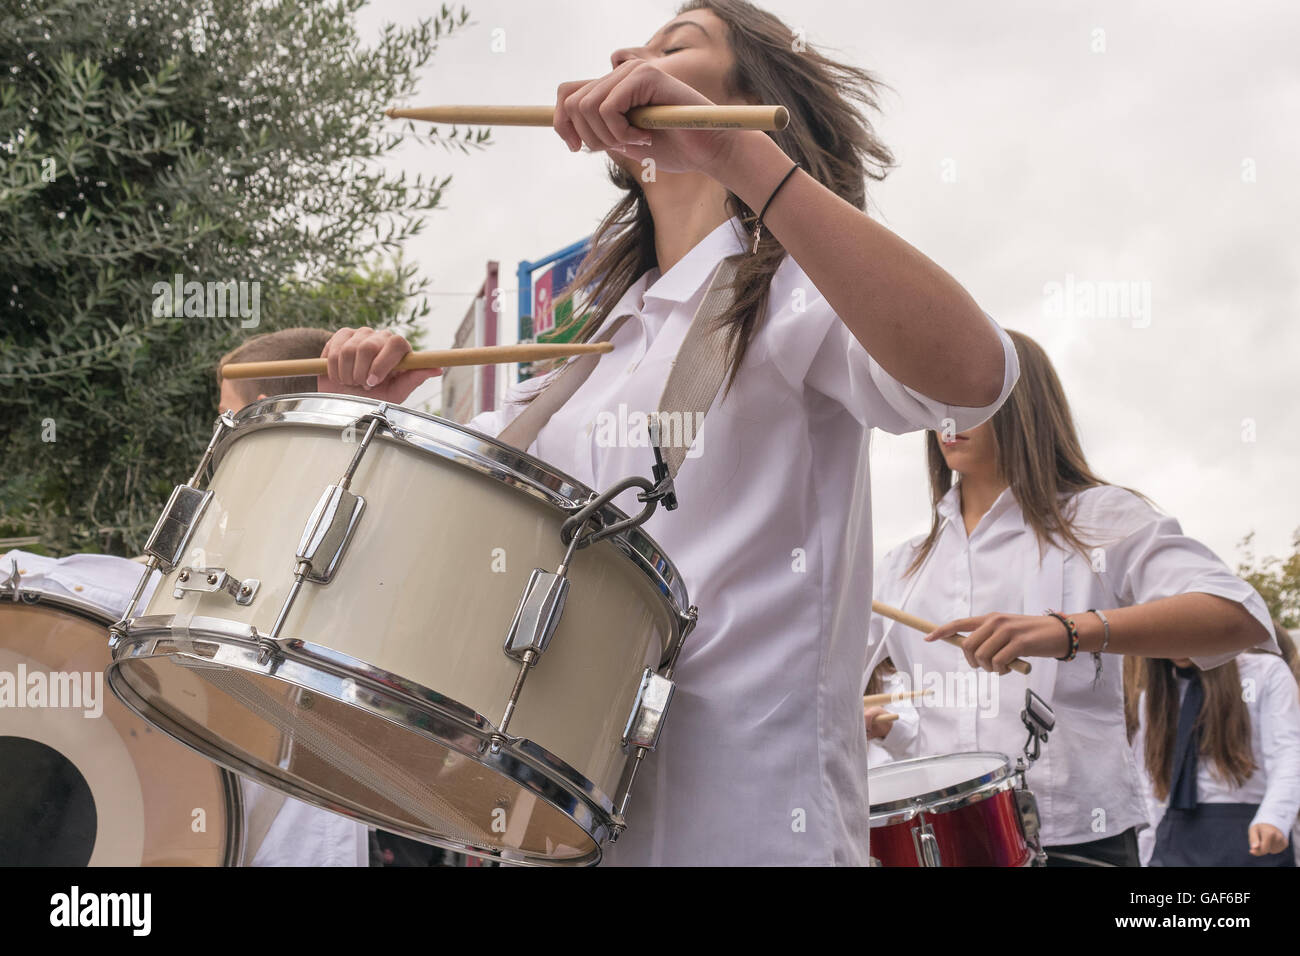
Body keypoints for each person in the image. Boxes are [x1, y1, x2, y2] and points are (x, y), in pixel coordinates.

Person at [315, 0, 1019, 864]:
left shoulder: (797, 292)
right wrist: (374, 403)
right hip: (565, 826)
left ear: (752, 96)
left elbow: (974, 378)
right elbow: (455, 519)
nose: (628, 53)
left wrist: (738, 155)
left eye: (673, 44)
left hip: (749, 824)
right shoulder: (590, 354)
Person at [866, 330, 1275, 866]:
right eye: (938, 400)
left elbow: (1239, 617)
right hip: (945, 846)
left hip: (1078, 838)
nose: (948, 419)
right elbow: (829, 684)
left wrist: (1071, 630)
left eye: (970, 399)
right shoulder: (902, 564)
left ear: (1022, 403)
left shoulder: (1098, 518)